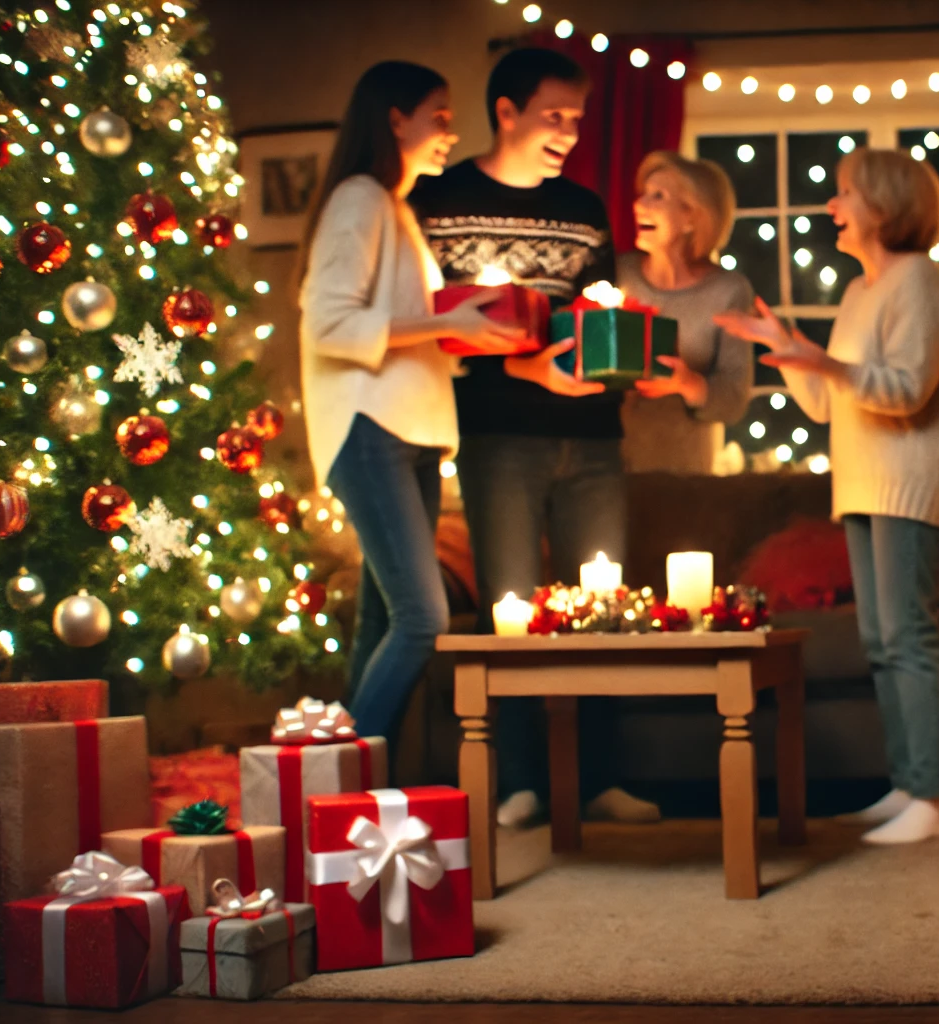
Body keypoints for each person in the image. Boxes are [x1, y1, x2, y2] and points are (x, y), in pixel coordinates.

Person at [409, 47, 657, 828]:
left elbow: (598, 315)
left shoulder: (584, 208)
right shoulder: (434, 201)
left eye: (578, 120)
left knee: (603, 609)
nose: (570, 133)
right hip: (497, 438)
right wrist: (524, 376)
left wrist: (615, 361)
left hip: (591, 438)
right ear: (506, 112)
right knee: (508, 612)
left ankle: (598, 779)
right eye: (554, 116)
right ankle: (521, 780)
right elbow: (428, 332)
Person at [716, 149, 939, 845]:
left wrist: (822, 360)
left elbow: (907, 391)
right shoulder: (862, 290)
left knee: (907, 636)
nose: (832, 207)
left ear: (884, 205)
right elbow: (830, 403)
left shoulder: (920, 279)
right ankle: (909, 785)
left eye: (844, 194)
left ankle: (933, 799)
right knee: (881, 640)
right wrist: (790, 348)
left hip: (912, 480)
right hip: (865, 482)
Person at [298, 62, 525, 744]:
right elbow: (328, 325)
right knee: (422, 618)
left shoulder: (395, 208)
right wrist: (450, 325)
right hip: (372, 431)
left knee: (381, 622)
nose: (451, 134)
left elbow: (410, 326)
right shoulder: (361, 199)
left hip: (410, 430)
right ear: (396, 120)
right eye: (441, 116)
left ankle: (347, 796)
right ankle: (338, 791)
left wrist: (467, 324)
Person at [617, 151, 756, 474]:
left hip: (685, 474)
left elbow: (734, 400)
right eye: (643, 194)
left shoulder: (728, 291)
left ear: (692, 217)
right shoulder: (618, 275)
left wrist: (686, 383)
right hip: (608, 466)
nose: (639, 205)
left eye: (658, 196)